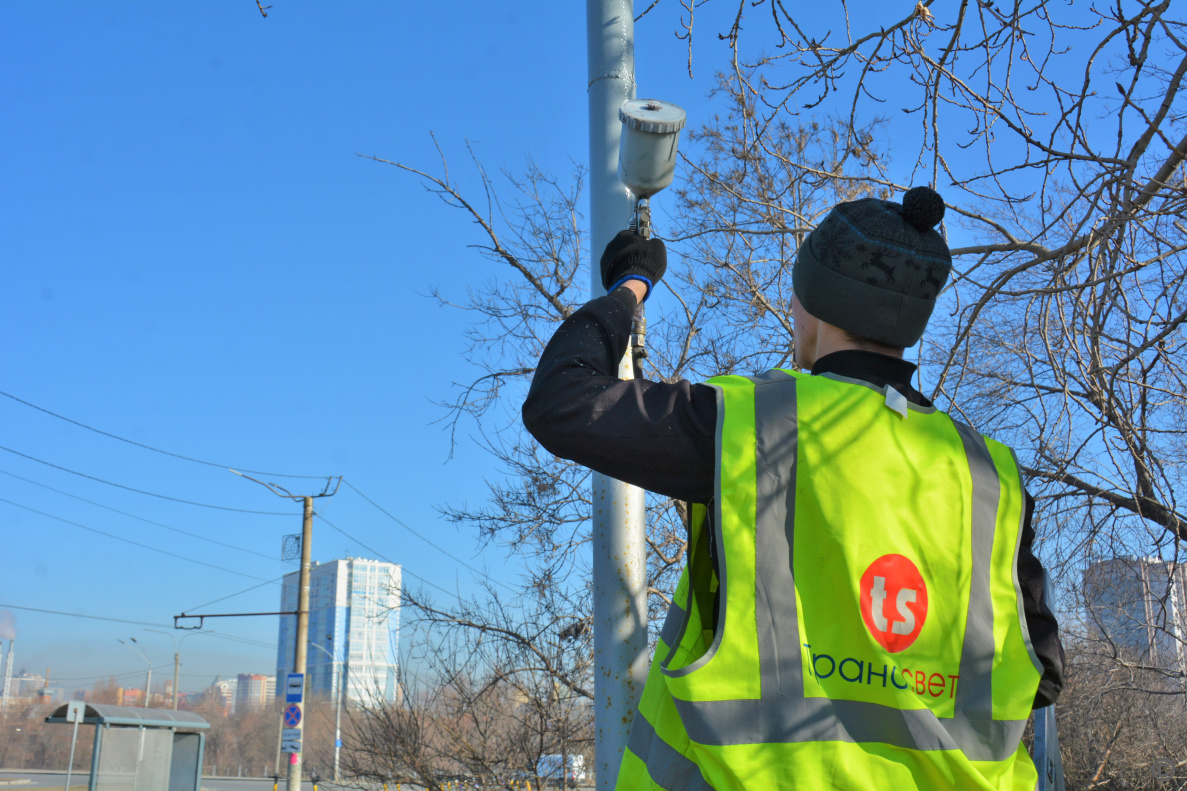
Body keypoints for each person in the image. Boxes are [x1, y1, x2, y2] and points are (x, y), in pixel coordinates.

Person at [522, 187, 1064, 790]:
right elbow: (1041, 675)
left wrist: (630, 286)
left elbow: (564, 403)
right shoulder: (989, 475)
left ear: (815, 306)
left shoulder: (757, 427)